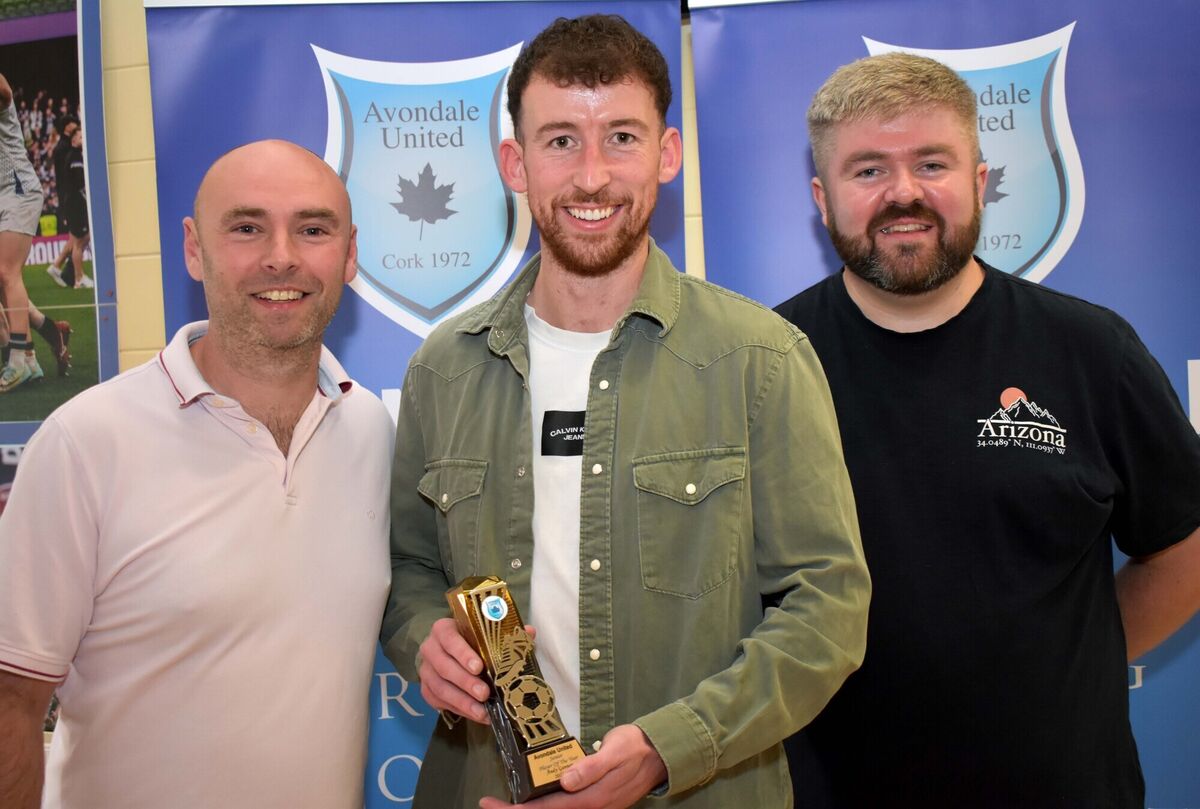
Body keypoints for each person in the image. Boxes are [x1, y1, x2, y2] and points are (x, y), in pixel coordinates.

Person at [382, 14, 870, 809]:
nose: (592, 177)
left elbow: (830, 607)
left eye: (622, 137)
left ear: (667, 154)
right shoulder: (445, 368)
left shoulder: (762, 359)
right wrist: (420, 640)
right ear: (516, 161)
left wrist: (671, 747)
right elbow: (409, 569)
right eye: (561, 141)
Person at [775, 52, 1200, 807]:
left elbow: (1184, 543)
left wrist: (1076, 666)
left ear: (979, 180)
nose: (904, 193)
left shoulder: (1092, 350)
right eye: (867, 170)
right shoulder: (767, 365)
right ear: (822, 196)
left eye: (931, 162)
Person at [0, 139, 394, 808]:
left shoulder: (372, 433)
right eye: (246, 227)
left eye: (313, 229)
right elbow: (13, 700)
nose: (281, 255)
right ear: (192, 247)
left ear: (349, 252)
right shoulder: (87, 441)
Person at [0, 73, 50, 392]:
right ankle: (29, 359)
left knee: (7, 272)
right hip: (5, 193)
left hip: (18, 188)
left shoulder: (3, 101)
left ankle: (18, 360)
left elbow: (4, 90)